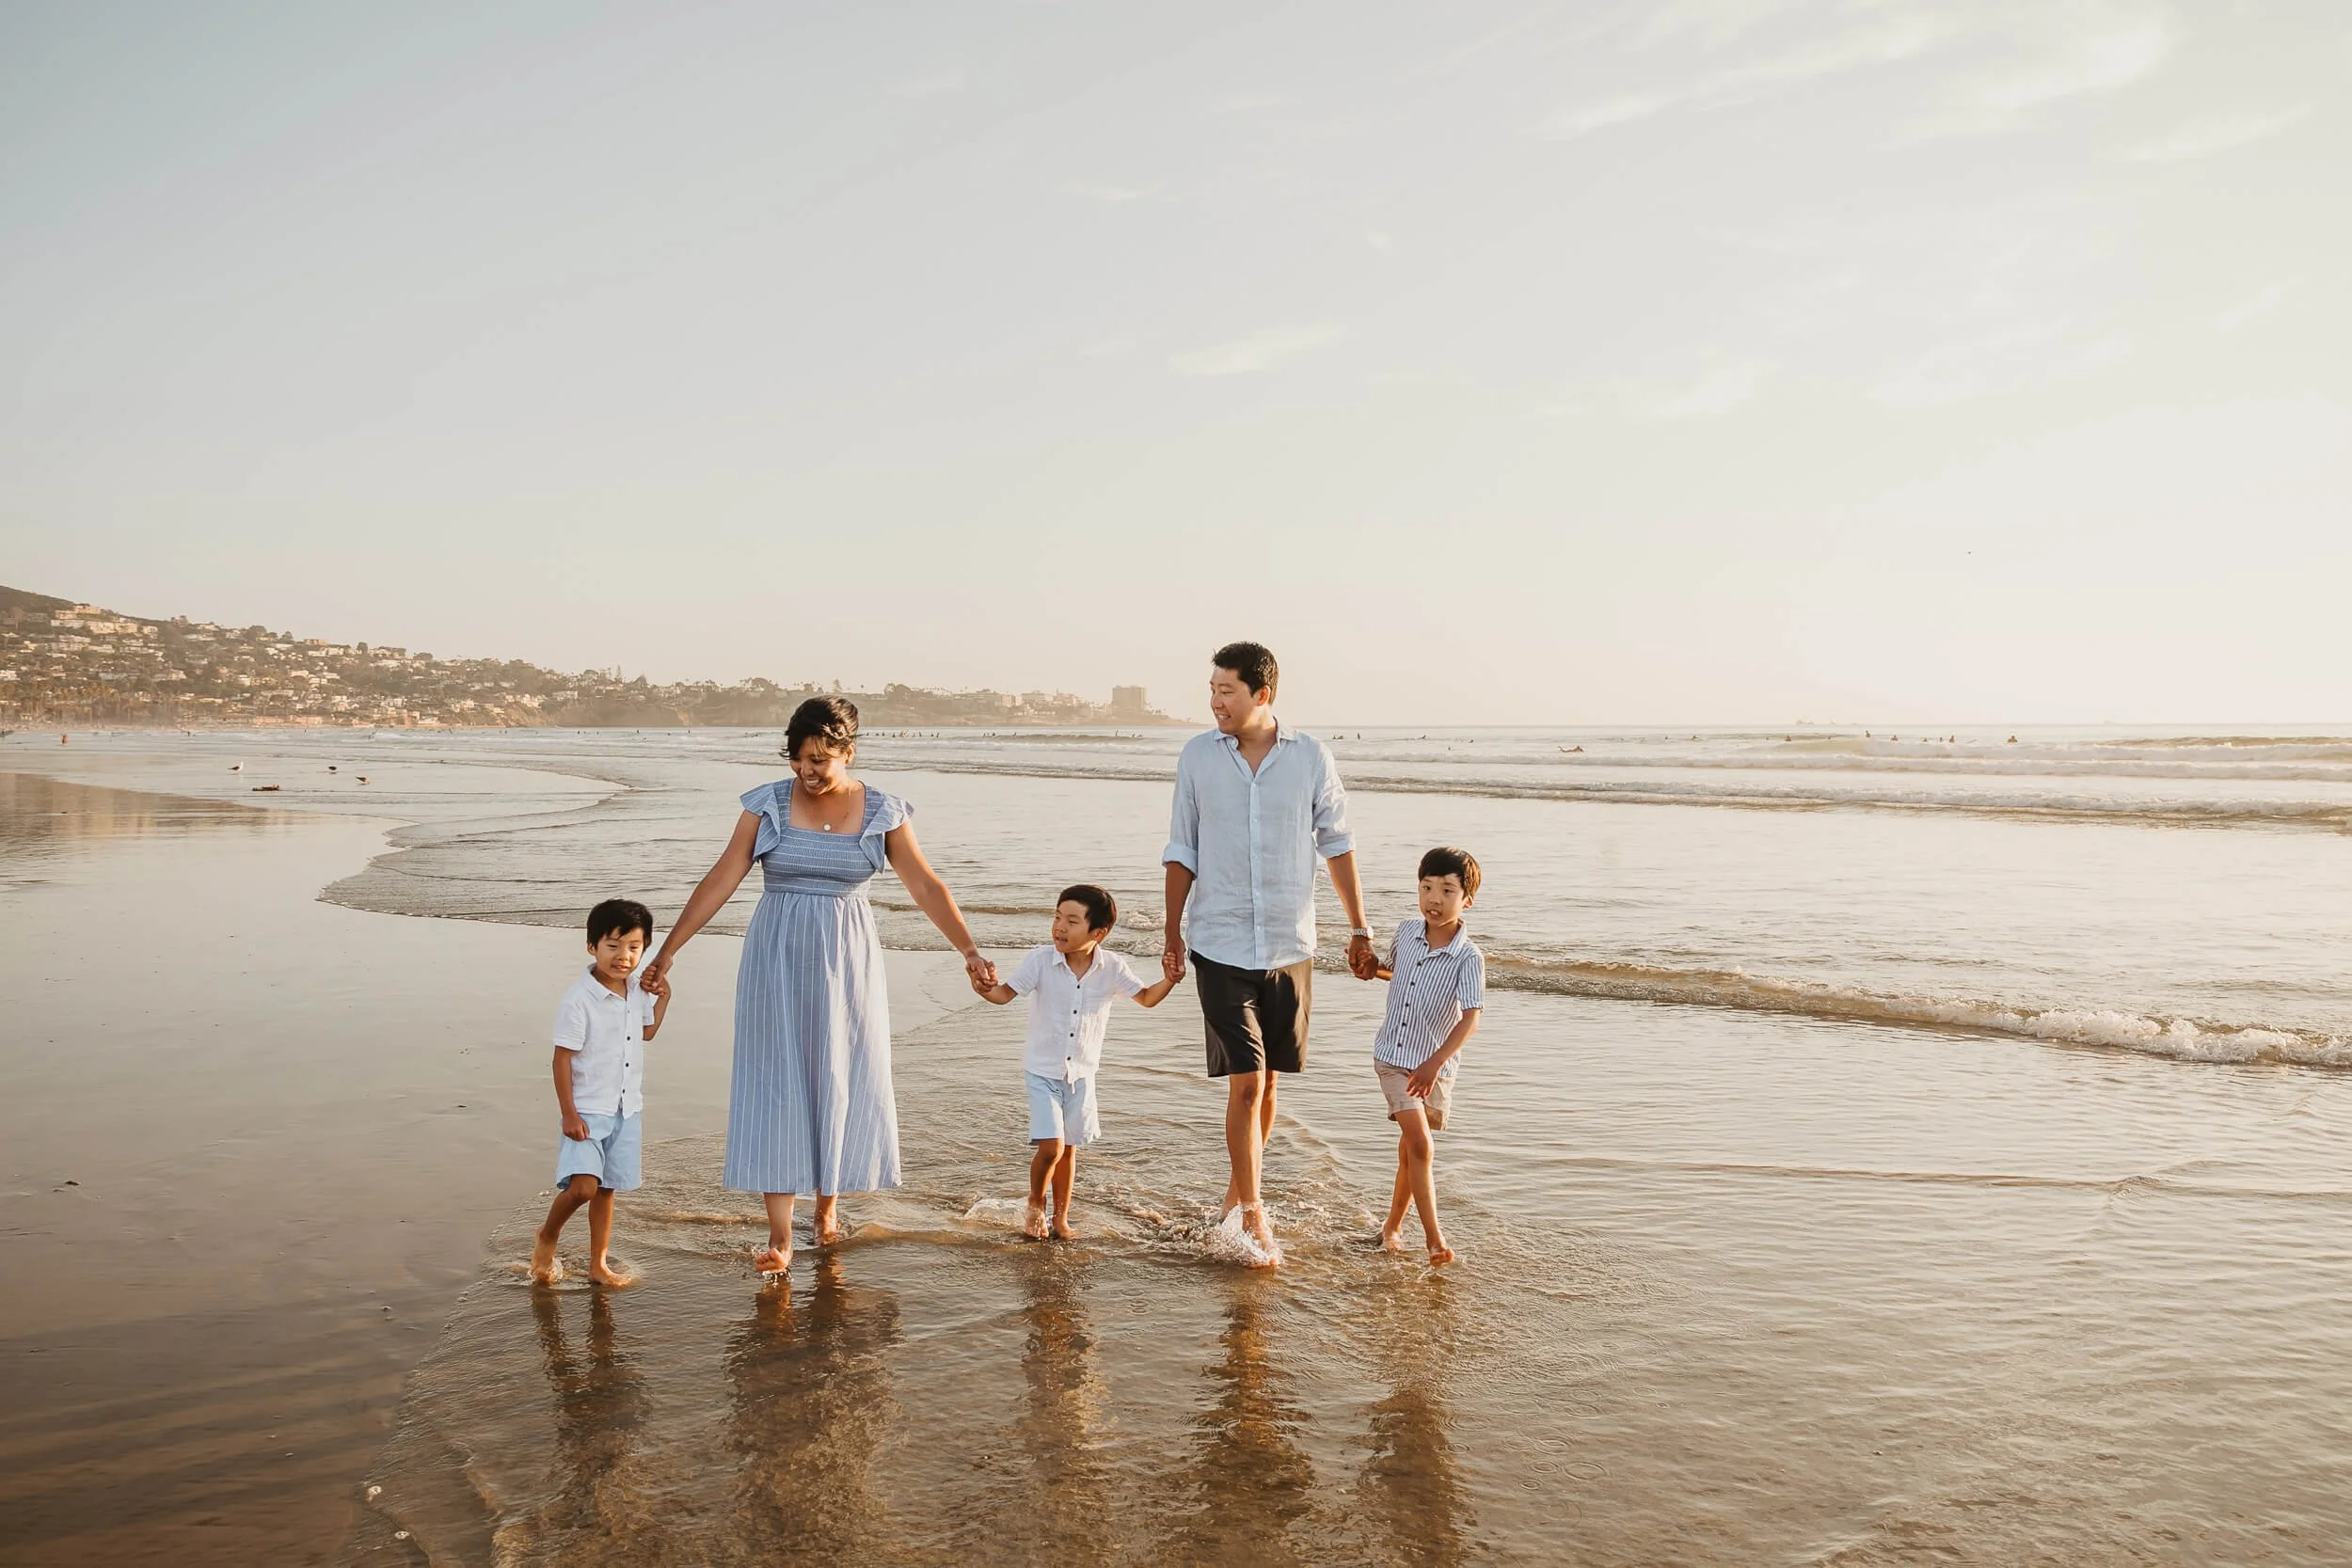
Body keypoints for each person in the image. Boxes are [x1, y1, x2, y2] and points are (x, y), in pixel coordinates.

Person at [641, 696, 995, 1277]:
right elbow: (722, 877)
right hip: (775, 955)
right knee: (775, 1080)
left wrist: (970, 949)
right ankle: (780, 1236)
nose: (808, 770)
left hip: (846, 957)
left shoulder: (883, 811)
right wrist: (670, 950)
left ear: (848, 753)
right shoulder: (767, 805)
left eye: (822, 759)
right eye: (800, 758)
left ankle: (827, 1209)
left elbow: (926, 886)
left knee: (839, 1071)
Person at [1161, 641, 1375, 1266]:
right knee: (1247, 1081)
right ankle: (1255, 1213)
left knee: (1271, 1079)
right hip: (1220, 940)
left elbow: (1337, 843)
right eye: (1212, 688)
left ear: (1263, 694)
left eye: (1226, 690)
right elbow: (1182, 847)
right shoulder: (1199, 755)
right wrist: (1173, 932)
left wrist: (1359, 927)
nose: (1214, 701)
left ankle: (1236, 1193)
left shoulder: (1310, 757)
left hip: (1290, 942)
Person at [970, 884, 1178, 1240]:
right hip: (1042, 1071)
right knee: (1050, 1147)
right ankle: (1035, 1204)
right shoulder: (1040, 960)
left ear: (1098, 933)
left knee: (1068, 1150)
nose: (1059, 927)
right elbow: (1004, 994)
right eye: (1056, 917)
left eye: (1071, 921)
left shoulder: (1112, 967)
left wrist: (1170, 980)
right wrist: (984, 987)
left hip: (1081, 1074)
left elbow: (1146, 998)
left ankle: (1061, 1219)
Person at [531, 898, 671, 1287]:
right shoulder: (578, 1001)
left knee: (606, 1190)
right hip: (588, 1110)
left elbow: (647, 1032)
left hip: (626, 1108)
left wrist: (665, 999)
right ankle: (548, 1234)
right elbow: (561, 1059)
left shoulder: (637, 991)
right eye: (613, 945)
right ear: (592, 945)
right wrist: (569, 1113)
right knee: (583, 1188)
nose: (623, 957)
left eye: (634, 948)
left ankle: (598, 1263)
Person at [1369, 847, 1485, 1265]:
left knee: (1409, 1152)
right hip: (1394, 1057)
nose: (1434, 899)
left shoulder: (1469, 957)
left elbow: (1471, 1017)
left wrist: (1435, 1063)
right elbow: (1393, 972)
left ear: (1466, 899)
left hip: (1435, 1068)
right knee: (1422, 1146)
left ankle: (1391, 1229)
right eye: (1426, 888)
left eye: (1447, 890)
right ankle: (1435, 1240)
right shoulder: (1405, 931)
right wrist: (1370, 968)